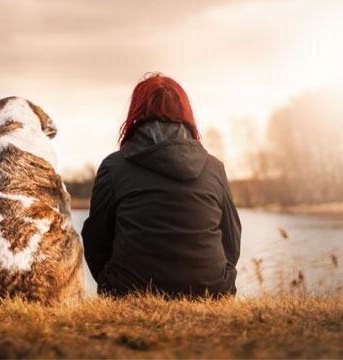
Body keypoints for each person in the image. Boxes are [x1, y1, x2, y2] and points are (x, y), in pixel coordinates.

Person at [82, 73, 241, 298]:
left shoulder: (113, 167)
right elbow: (232, 240)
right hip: (211, 291)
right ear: (185, 113)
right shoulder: (214, 167)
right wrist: (219, 279)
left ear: (136, 112)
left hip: (129, 291)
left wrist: (112, 283)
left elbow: (96, 239)